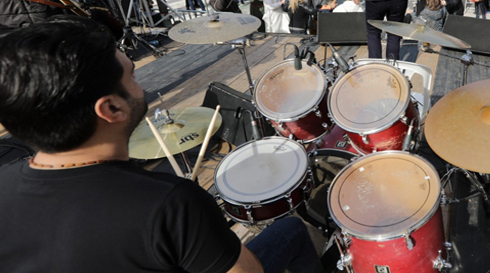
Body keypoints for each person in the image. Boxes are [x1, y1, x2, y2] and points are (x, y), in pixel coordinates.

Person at [0, 17, 323, 273]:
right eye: (133, 77)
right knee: (290, 230)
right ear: (112, 108)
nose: (141, 85)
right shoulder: (169, 203)